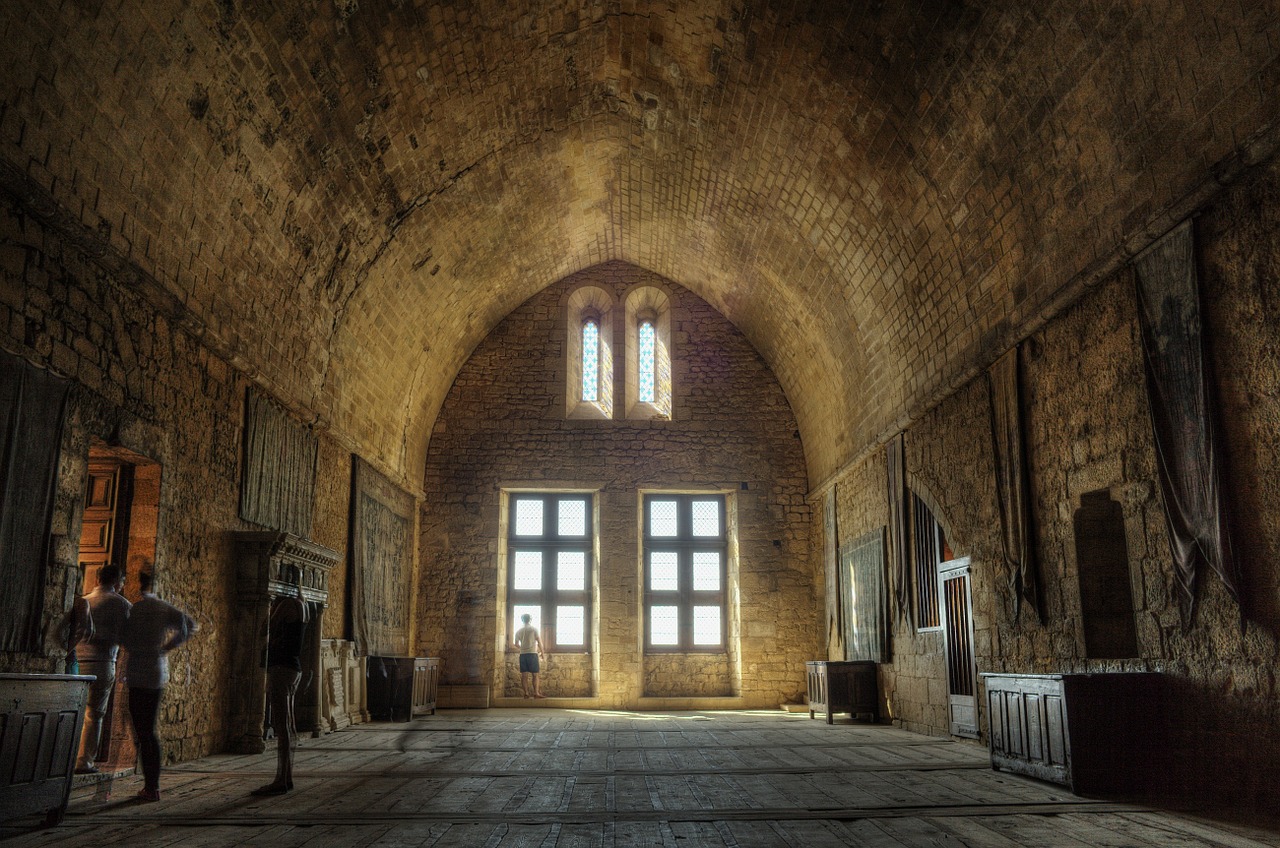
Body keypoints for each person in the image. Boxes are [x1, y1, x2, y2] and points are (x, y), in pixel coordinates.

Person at [121, 571, 196, 802]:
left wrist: (133, 646)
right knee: (149, 730)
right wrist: (167, 647)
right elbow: (189, 626)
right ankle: (152, 785)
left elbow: (124, 636)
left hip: (136, 671)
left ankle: (150, 786)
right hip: (156, 671)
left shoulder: (135, 609)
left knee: (141, 730)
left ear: (139, 585)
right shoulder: (164, 608)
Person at [252, 571, 309, 796]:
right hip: (294, 668)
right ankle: (287, 776)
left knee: (281, 725)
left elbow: (264, 628)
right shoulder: (303, 605)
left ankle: (280, 779)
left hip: (281, 667)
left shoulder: (286, 605)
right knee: (289, 725)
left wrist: (272, 604)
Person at [75, 564, 131, 774]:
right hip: (103, 662)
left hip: (77, 663)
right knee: (94, 714)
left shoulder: (84, 601)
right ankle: (84, 761)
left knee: (75, 712)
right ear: (118, 583)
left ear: (97, 579)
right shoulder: (123, 605)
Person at [512, 614, 546, 699]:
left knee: (524, 675)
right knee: (535, 675)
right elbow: (539, 642)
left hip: (523, 655)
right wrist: (542, 654)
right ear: (530, 619)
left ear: (522, 620)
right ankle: (536, 693)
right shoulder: (534, 629)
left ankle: (526, 693)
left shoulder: (518, 631)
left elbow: (516, 644)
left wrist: (523, 648)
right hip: (532, 654)